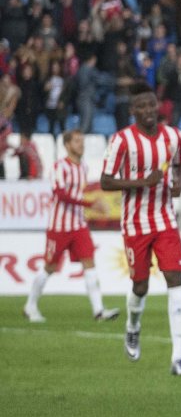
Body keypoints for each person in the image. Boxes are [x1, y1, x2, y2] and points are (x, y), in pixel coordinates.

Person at [99, 83, 181, 376]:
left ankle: (178, 358)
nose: (149, 111)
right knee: (140, 285)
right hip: (135, 223)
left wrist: (177, 184)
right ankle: (132, 326)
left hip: (165, 220)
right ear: (132, 111)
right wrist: (143, 183)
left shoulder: (173, 136)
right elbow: (106, 181)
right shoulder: (122, 140)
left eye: (152, 105)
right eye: (142, 106)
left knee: (175, 279)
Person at [23, 129, 120, 323]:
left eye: (82, 141)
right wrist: (91, 204)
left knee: (89, 263)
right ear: (67, 145)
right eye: (77, 141)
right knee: (49, 267)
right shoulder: (60, 167)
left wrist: (90, 206)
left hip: (78, 225)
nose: (81, 145)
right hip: (59, 227)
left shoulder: (82, 167)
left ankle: (99, 311)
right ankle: (30, 305)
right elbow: (61, 194)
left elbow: (77, 194)